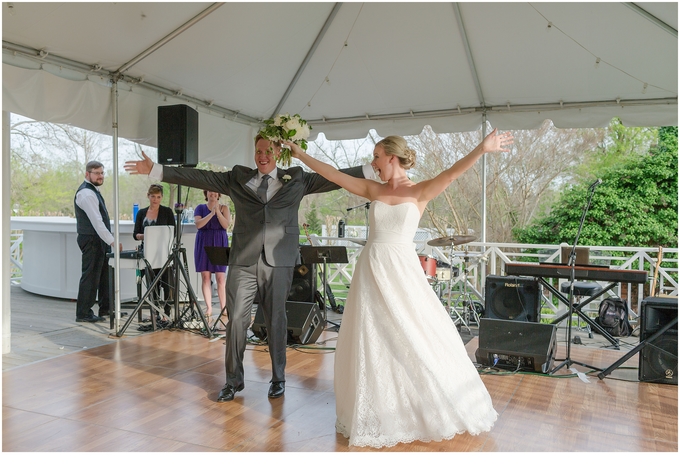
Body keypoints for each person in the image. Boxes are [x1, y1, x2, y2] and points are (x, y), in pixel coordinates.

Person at [285, 128, 513, 448]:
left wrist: (482, 148)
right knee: (373, 337)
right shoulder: (372, 189)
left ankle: (431, 403)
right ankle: (377, 411)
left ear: (392, 157)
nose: (373, 163)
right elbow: (333, 174)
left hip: (402, 269)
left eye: (377, 157)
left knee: (415, 333)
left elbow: (451, 173)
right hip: (371, 269)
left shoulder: (419, 191)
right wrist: (301, 155)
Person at [124, 136, 374, 401]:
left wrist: (370, 171)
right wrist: (157, 170)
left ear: (278, 152)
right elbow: (200, 177)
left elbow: (334, 177)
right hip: (243, 261)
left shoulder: (297, 178)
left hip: (279, 262)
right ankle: (233, 381)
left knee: (277, 320)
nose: (262, 155)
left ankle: (279, 378)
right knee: (236, 322)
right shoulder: (238, 177)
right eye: (258, 151)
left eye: (268, 151)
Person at [74, 161, 121, 323]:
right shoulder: (86, 193)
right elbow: (97, 221)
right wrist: (112, 241)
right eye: (97, 173)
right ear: (87, 174)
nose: (100, 176)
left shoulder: (93, 191)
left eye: (102, 173)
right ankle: (83, 313)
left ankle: (106, 309)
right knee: (91, 276)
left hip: (98, 239)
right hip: (92, 240)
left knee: (104, 275)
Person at [133, 183, 176, 318]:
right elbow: (135, 234)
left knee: (168, 284)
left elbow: (173, 232)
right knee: (153, 285)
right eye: (153, 196)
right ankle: (155, 313)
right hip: (148, 253)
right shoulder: (141, 213)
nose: (155, 199)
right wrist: (145, 235)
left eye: (158, 197)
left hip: (164, 252)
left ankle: (167, 312)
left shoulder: (167, 212)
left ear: (162, 197)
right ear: (148, 196)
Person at [193, 190, 231, 325]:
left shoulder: (224, 208)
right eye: (210, 191)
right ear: (206, 193)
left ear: (219, 194)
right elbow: (198, 224)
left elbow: (226, 225)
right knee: (206, 276)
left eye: (215, 192)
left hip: (220, 242)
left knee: (221, 277)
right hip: (204, 242)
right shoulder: (200, 208)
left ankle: (223, 307)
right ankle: (209, 308)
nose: (213, 194)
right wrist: (211, 214)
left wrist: (218, 212)